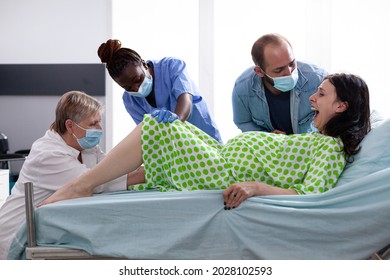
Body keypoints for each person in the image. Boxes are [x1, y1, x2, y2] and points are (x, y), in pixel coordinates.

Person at [40, 73, 371, 214]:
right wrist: (276, 145)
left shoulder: (332, 148)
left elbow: (309, 196)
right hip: (222, 155)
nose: (312, 97)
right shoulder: (319, 140)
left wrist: (256, 187)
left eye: (322, 94)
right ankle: (89, 186)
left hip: (223, 170)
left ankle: (81, 186)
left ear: (341, 107)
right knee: (158, 131)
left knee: (155, 126)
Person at [0, 91, 143, 259]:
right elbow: (95, 183)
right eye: (93, 123)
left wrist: (145, 164)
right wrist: (145, 173)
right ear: (70, 126)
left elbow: (113, 168)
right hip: (15, 234)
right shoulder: (47, 154)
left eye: (99, 122)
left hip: (45, 229)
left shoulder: (87, 147)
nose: (99, 129)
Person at [98, 39, 223, 143]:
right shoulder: (130, 100)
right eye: (128, 87)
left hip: (205, 137)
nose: (136, 88)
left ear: (144, 64)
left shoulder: (172, 66)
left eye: (137, 79)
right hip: (174, 147)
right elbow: (148, 133)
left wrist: (176, 120)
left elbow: (185, 97)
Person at [232, 33, 327, 134]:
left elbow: (333, 118)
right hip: (270, 147)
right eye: (279, 70)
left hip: (309, 144)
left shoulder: (319, 79)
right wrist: (268, 137)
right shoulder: (242, 88)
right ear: (259, 72)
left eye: (291, 64)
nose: (289, 72)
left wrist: (294, 141)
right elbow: (243, 122)